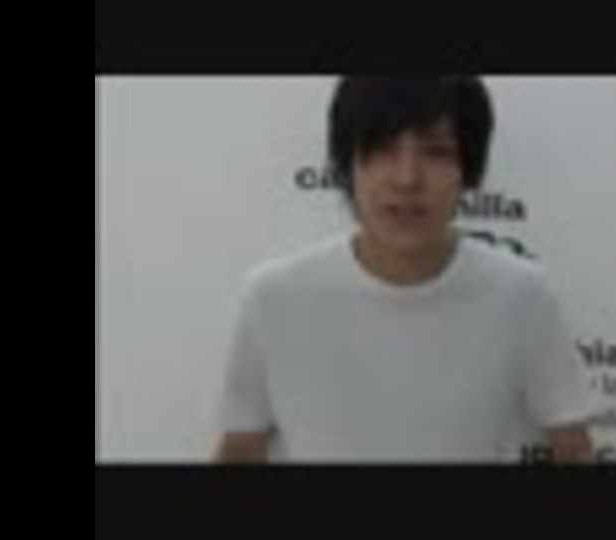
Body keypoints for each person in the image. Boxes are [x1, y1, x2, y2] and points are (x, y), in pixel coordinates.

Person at [215, 76, 595, 463]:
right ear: (348, 166)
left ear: (468, 171)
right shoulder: (274, 298)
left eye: (436, 152)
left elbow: (574, 449)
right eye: (382, 149)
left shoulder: (521, 294)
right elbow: (240, 450)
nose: (407, 178)